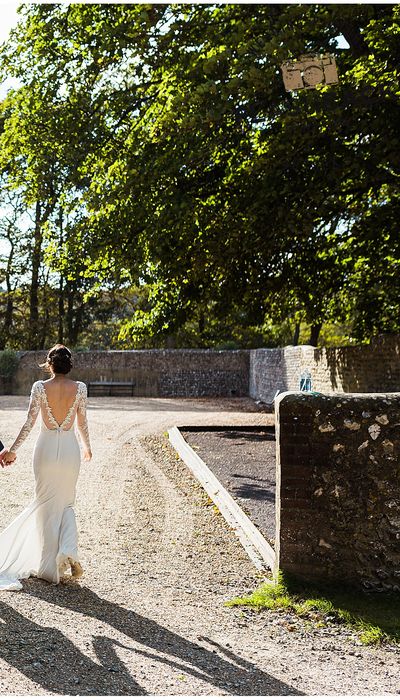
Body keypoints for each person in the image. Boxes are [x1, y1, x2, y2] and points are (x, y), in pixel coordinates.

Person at [0, 344, 92, 591]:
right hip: (70, 449)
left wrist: (12, 450)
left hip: (45, 450)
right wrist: (87, 447)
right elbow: (82, 423)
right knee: (66, 502)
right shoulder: (80, 388)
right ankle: (67, 552)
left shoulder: (39, 388)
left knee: (43, 505)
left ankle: (49, 566)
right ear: (69, 365)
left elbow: (29, 422)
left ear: (49, 364)